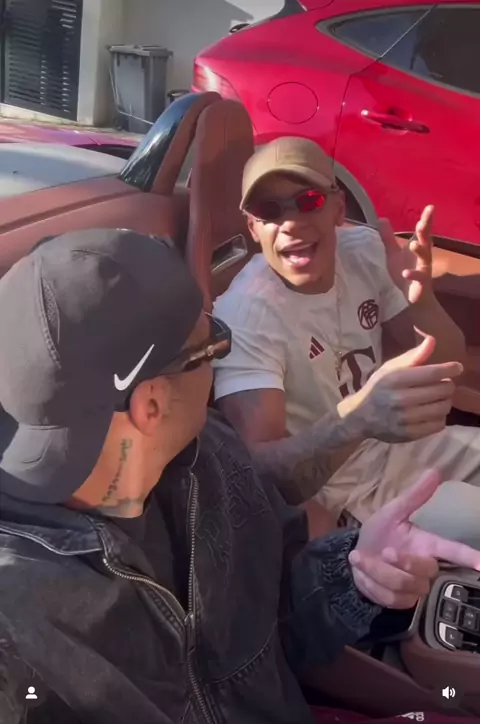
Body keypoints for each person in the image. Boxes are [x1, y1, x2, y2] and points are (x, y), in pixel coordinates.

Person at [0, 229, 479, 724]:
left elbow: (280, 622)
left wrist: (355, 572)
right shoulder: (15, 623)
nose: (221, 353)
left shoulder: (214, 453)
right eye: (212, 346)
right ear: (151, 405)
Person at [212, 137, 480, 544]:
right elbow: (259, 473)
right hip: (348, 495)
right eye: (269, 210)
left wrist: (422, 301)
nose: (290, 223)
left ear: (338, 208)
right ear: (252, 227)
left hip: (407, 449)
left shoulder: (364, 251)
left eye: (308, 202)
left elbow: (446, 365)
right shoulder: (246, 314)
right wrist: (355, 421)